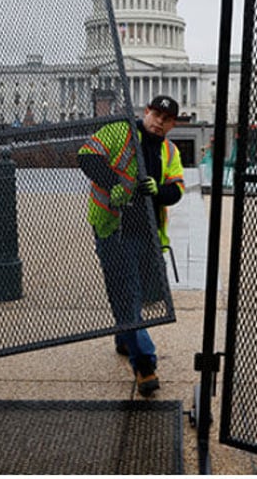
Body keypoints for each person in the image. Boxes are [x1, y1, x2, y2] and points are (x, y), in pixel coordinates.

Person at [78, 95, 185, 396]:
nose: (159, 122)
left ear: (173, 124)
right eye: (156, 115)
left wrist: (158, 191)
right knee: (127, 290)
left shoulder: (170, 150)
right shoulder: (119, 131)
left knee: (128, 292)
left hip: (148, 233)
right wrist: (115, 186)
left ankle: (125, 337)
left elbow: (176, 190)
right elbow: (86, 156)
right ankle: (145, 365)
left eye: (167, 119)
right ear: (146, 112)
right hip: (114, 226)